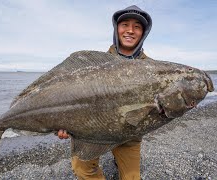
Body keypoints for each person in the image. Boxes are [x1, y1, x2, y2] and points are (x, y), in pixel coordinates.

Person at [57, 5, 152, 180]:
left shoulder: (152, 69)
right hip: (94, 132)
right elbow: (74, 99)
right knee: (82, 169)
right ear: (116, 29)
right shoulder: (96, 65)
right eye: (124, 25)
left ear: (143, 33)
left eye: (137, 27)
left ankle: (119, 157)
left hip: (129, 137)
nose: (130, 30)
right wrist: (62, 121)